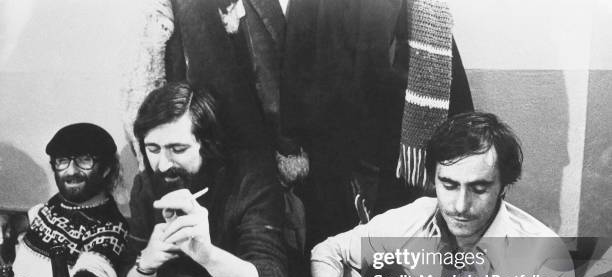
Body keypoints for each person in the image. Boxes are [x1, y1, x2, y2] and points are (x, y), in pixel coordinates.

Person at [122, 0, 474, 255]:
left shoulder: (427, 12)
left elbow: (450, 93)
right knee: (342, 263)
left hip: (400, 157)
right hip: (333, 159)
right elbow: (297, 74)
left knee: (412, 256)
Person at [311, 112, 575, 277]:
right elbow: (327, 252)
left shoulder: (546, 257)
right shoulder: (413, 219)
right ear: (433, 180)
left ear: (504, 186)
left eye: (479, 188)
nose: (460, 206)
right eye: (448, 185)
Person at [121, 82, 292, 277]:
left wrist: (208, 256)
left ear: (208, 145)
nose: (163, 165)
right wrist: (146, 265)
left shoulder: (249, 180)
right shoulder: (146, 186)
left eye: (177, 148)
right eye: (153, 148)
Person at [12, 123, 128, 277]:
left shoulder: (109, 227)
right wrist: (7, 222)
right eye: (62, 160)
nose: (72, 171)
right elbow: (29, 221)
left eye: (85, 160)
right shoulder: (57, 203)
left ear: (106, 169)